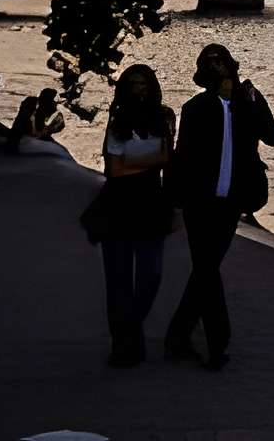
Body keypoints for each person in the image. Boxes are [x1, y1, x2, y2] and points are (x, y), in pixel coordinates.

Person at [161, 42, 274, 369]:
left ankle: (178, 336)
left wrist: (253, 104)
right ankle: (217, 344)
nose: (217, 68)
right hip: (199, 202)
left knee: (205, 270)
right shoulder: (195, 108)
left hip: (233, 202)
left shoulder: (249, 101)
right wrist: (173, 202)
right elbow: (183, 157)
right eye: (209, 63)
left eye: (220, 61)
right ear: (203, 73)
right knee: (207, 270)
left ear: (232, 66)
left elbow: (272, 136)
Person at [93, 64, 176, 367]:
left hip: (152, 204)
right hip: (117, 205)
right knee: (118, 280)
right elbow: (114, 169)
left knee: (151, 275)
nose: (139, 89)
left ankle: (130, 330)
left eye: (143, 84)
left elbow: (167, 159)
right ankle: (123, 343)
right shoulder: (117, 119)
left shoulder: (165, 117)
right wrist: (152, 160)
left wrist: (133, 161)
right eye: (133, 84)